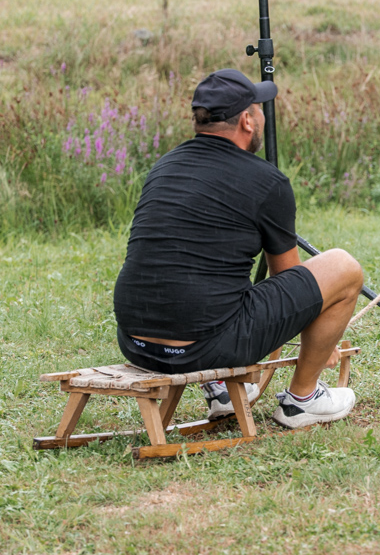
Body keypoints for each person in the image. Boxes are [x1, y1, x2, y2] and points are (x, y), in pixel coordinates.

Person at [112, 68, 364, 428]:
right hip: (204, 346)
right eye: (259, 109)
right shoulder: (267, 181)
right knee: (342, 266)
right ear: (247, 120)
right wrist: (323, 343)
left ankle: (221, 388)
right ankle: (302, 400)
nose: (262, 116)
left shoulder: (163, 167)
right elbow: (290, 281)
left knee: (205, 279)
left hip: (136, 344)